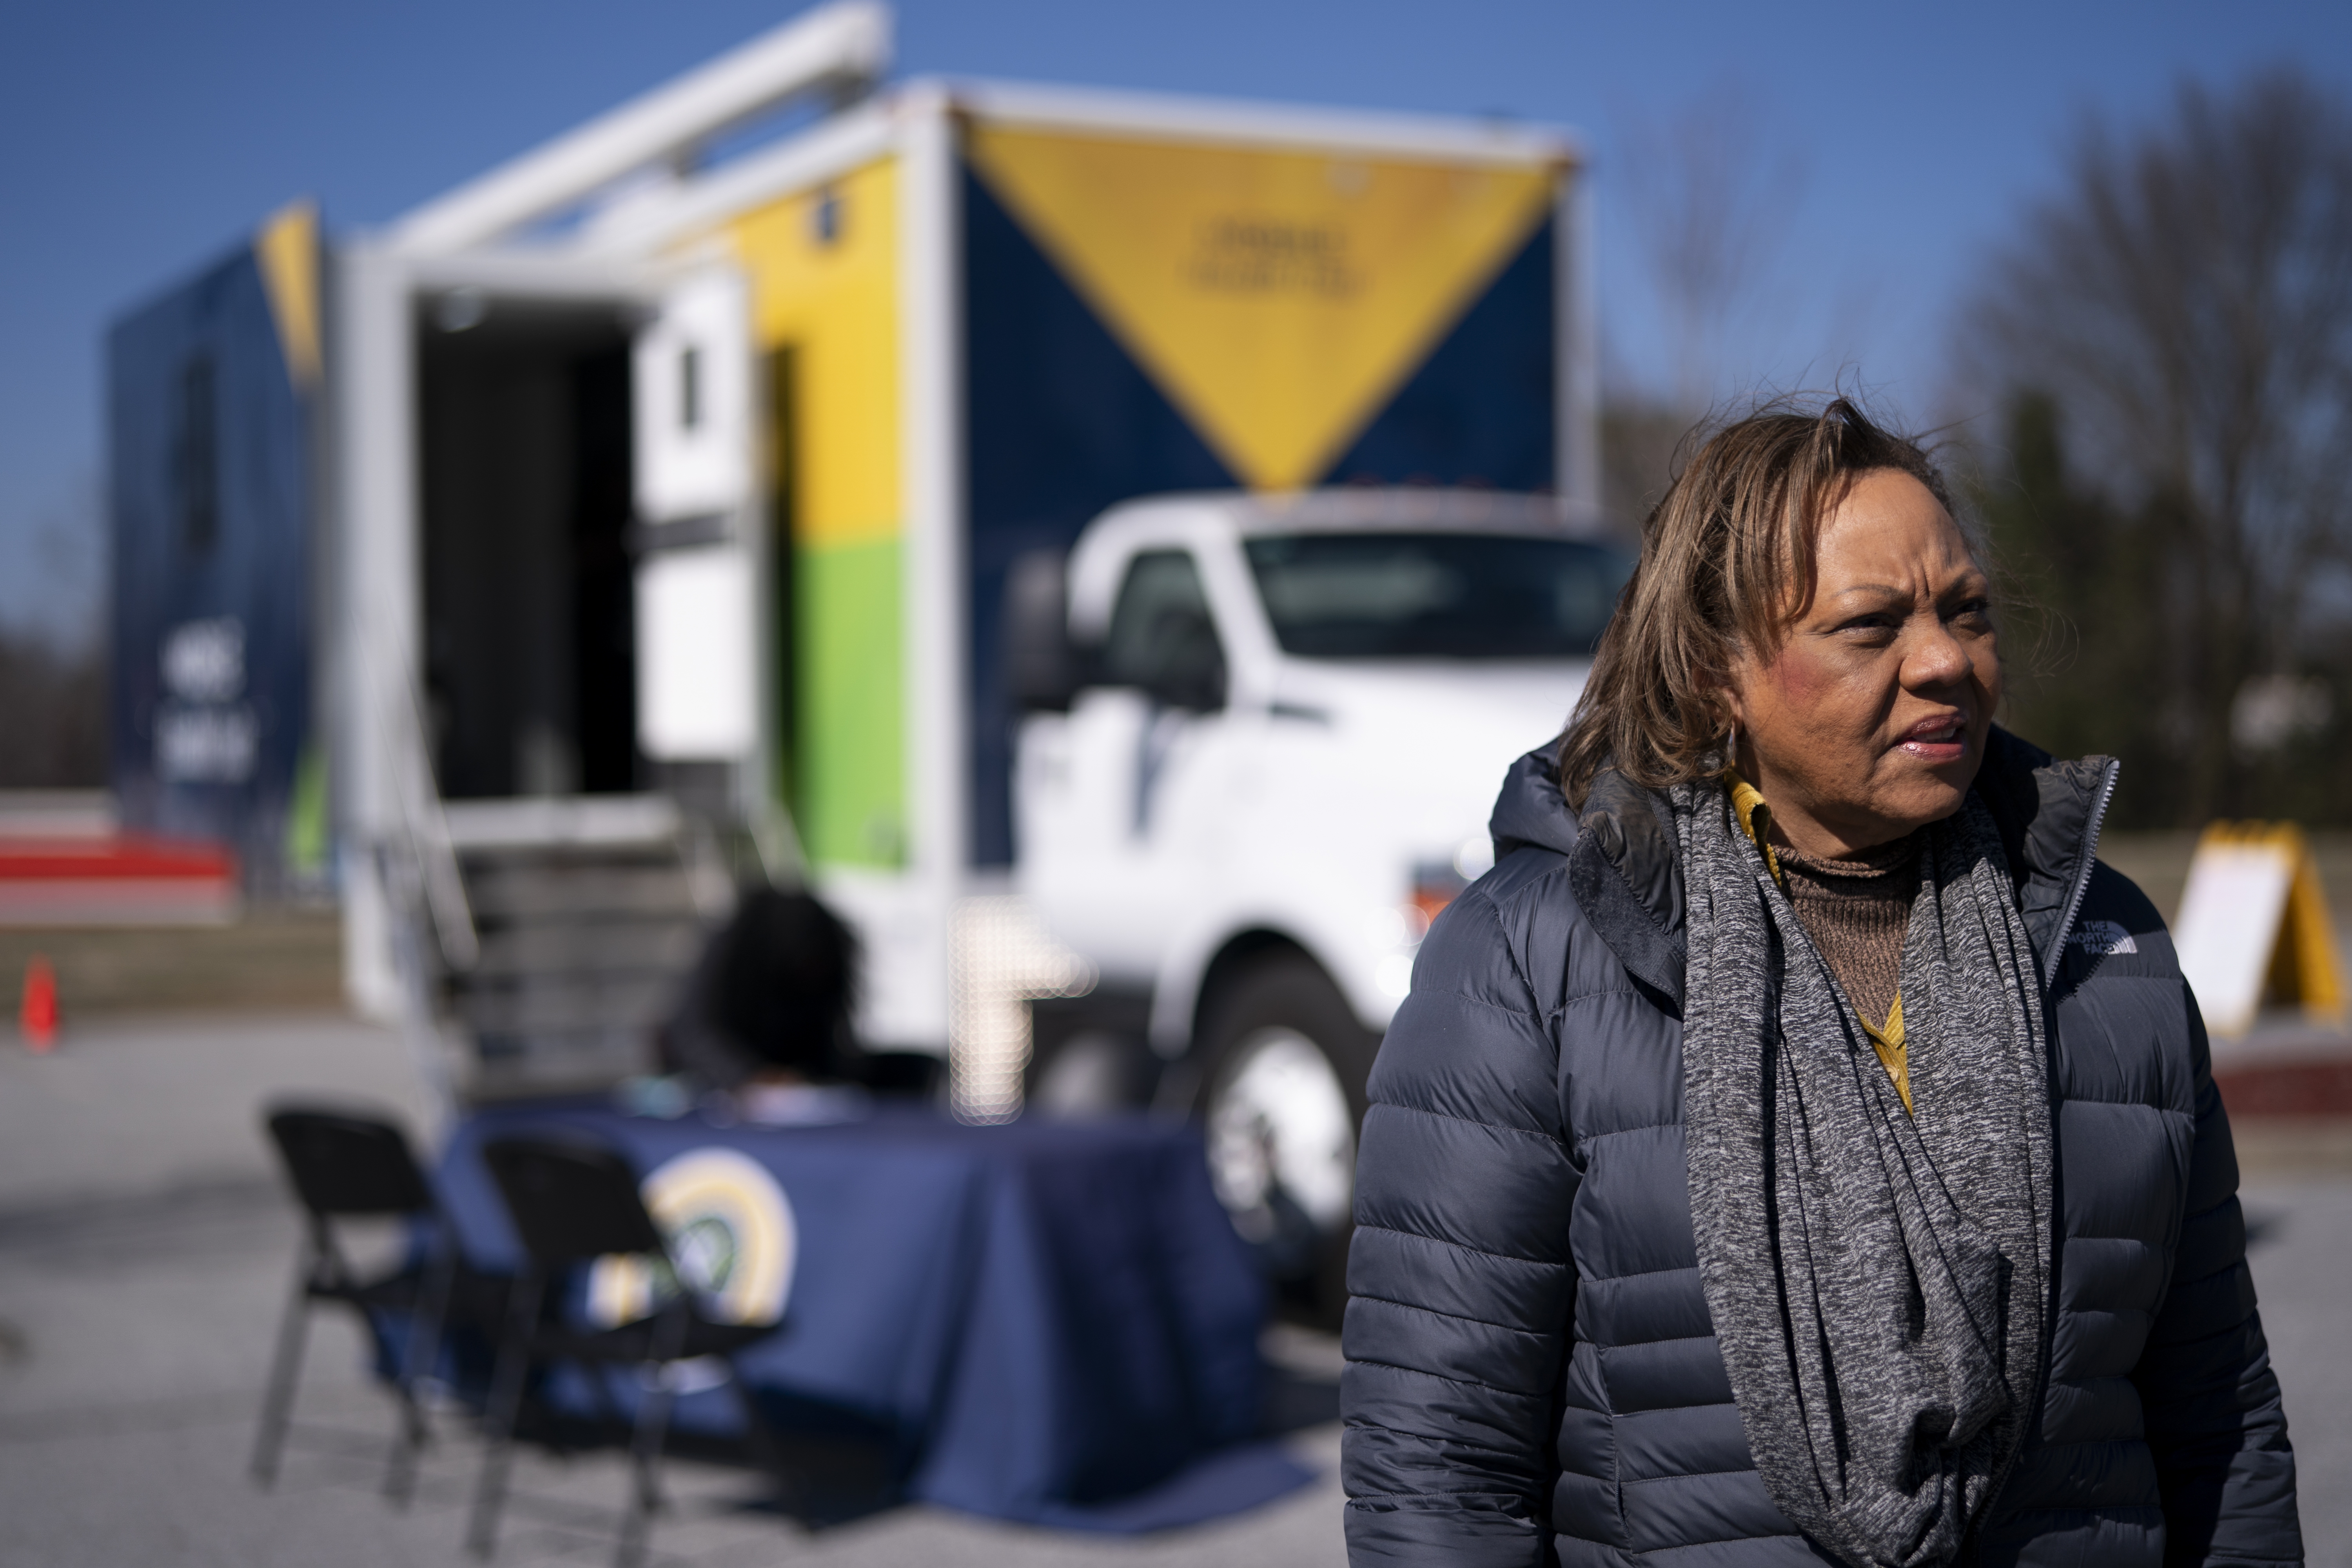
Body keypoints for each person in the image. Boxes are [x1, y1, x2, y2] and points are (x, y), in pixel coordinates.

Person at [1340, 400, 2302, 1566]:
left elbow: (2221, 1422)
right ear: (1714, 678)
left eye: (1966, 612)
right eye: (1870, 625)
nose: (1945, 660)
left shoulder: (2110, 946)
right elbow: (1439, 1481)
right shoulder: (1525, 967)